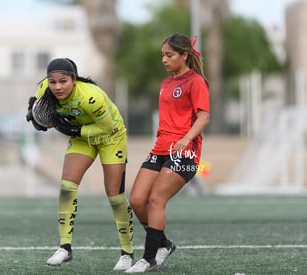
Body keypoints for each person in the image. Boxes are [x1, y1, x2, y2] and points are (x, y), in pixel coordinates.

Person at [26, 58, 135, 271]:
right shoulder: (44, 88)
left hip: (110, 137)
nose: (57, 87)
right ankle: (65, 248)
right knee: (67, 187)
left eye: (63, 81)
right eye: (53, 81)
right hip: (82, 138)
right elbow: (37, 106)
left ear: (74, 80)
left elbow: (105, 127)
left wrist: (72, 130)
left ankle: (127, 252)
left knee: (115, 197)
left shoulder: (91, 97)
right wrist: (35, 116)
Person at [125, 33, 210, 273]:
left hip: (185, 152)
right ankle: (164, 244)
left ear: (184, 56)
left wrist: (186, 139)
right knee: (137, 199)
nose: (164, 59)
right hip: (160, 149)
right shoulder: (166, 83)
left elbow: (203, 117)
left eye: (169, 55)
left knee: (156, 200)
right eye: (162, 55)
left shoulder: (196, 82)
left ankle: (149, 257)